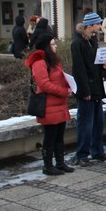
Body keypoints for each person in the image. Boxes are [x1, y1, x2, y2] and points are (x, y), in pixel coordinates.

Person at [25, 32, 74, 176]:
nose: (56, 46)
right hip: (49, 106)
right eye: (53, 44)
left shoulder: (53, 61)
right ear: (46, 46)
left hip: (59, 105)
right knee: (50, 138)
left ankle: (60, 163)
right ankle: (47, 166)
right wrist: (63, 91)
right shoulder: (39, 63)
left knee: (59, 137)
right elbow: (44, 84)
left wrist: (69, 85)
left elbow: (60, 78)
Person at [70, 12, 106, 166]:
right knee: (85, 123)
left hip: (96, 87)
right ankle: (82, 154)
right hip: (86, 90)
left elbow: (95, 65)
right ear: (90, 25)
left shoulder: (92, 40)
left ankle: (97, 151)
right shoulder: (78, 43)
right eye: (98, 24)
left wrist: (104, 67)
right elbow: (79, 69)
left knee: (98, 122)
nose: (100, 26)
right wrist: (85, 91)